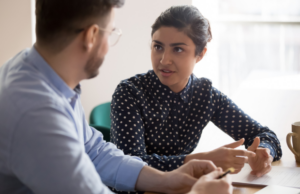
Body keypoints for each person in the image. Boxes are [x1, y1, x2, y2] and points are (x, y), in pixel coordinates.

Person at [0, 0, 233, 194]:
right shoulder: (37, 113)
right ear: (91, 35)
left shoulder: (36, 71)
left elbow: (95, 152)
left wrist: (167, 179)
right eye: (111, 32)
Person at [111, 5, 282, 177]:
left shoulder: (205, 96)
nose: (164, 60)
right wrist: (202, 160)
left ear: (200, 54)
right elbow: (129, 167)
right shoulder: (129, 93)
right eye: (158, 47)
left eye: (178, 49)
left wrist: (264, 153)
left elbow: (264, 135)